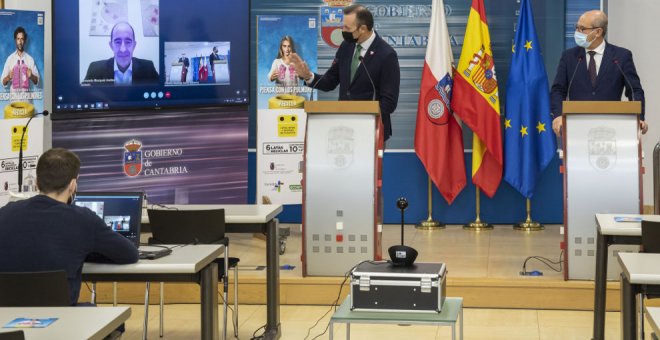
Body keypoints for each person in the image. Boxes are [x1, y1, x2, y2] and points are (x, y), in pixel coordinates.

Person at [0, 148, 139, 306]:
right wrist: (86, 251)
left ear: (37, 182)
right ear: (73, 185)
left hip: (6, 322)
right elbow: (129, 254)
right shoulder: (83, 219)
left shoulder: (4, 213)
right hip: (60, 321)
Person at [290, 4, 400, 141]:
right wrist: (307, 76)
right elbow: (330, 81)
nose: (343, 31)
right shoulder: (346, 46)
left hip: (372, 130)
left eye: (347, 28)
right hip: (344, 127)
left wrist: (366, 119)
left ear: (363, 29)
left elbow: (389, 102)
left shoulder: (386, 55)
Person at [550, 10, 646, 135]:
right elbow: (558, 90)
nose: (577, 32)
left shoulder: (621, 56)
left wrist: (639, 118)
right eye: (576, 28)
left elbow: (635, 91)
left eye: (582, 28)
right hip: (576, 128)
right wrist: (558, 116)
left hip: (612, 128)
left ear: (598, 32)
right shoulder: (569, 57)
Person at [84, 21, 159, 85]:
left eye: (128, 42)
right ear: (111, 46)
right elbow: (81, 96)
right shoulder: (94, 69)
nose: (123, 49)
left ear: (134, 45)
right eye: (117, 42)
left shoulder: (148, 68)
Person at [1, 27, 40, 102]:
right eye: (18, 39)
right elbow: (3, 82)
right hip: (14, 102)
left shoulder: (30, 59)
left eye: (22, 39)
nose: (20, 41)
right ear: (15, 40)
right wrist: (8, 77)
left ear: (24, 40)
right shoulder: (10, 59)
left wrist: (31, 76)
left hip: (26, 102)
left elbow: (37, 81)